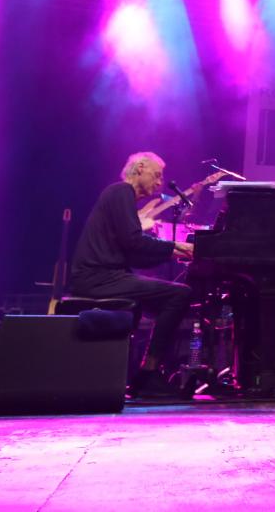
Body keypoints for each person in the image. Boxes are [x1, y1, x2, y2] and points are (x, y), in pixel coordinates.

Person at [70, 152, 194, 396]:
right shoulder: (121, 192)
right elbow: (134, 242)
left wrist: (177, 254)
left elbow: (134, 253)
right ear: (139, 168)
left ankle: (138, 373)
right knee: (179, 295)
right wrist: (178, 247)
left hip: (104, 277)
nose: (160, 183)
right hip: (99, 278)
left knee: (166, 296)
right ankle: (148, 374)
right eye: (156, 175)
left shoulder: (119, 197)